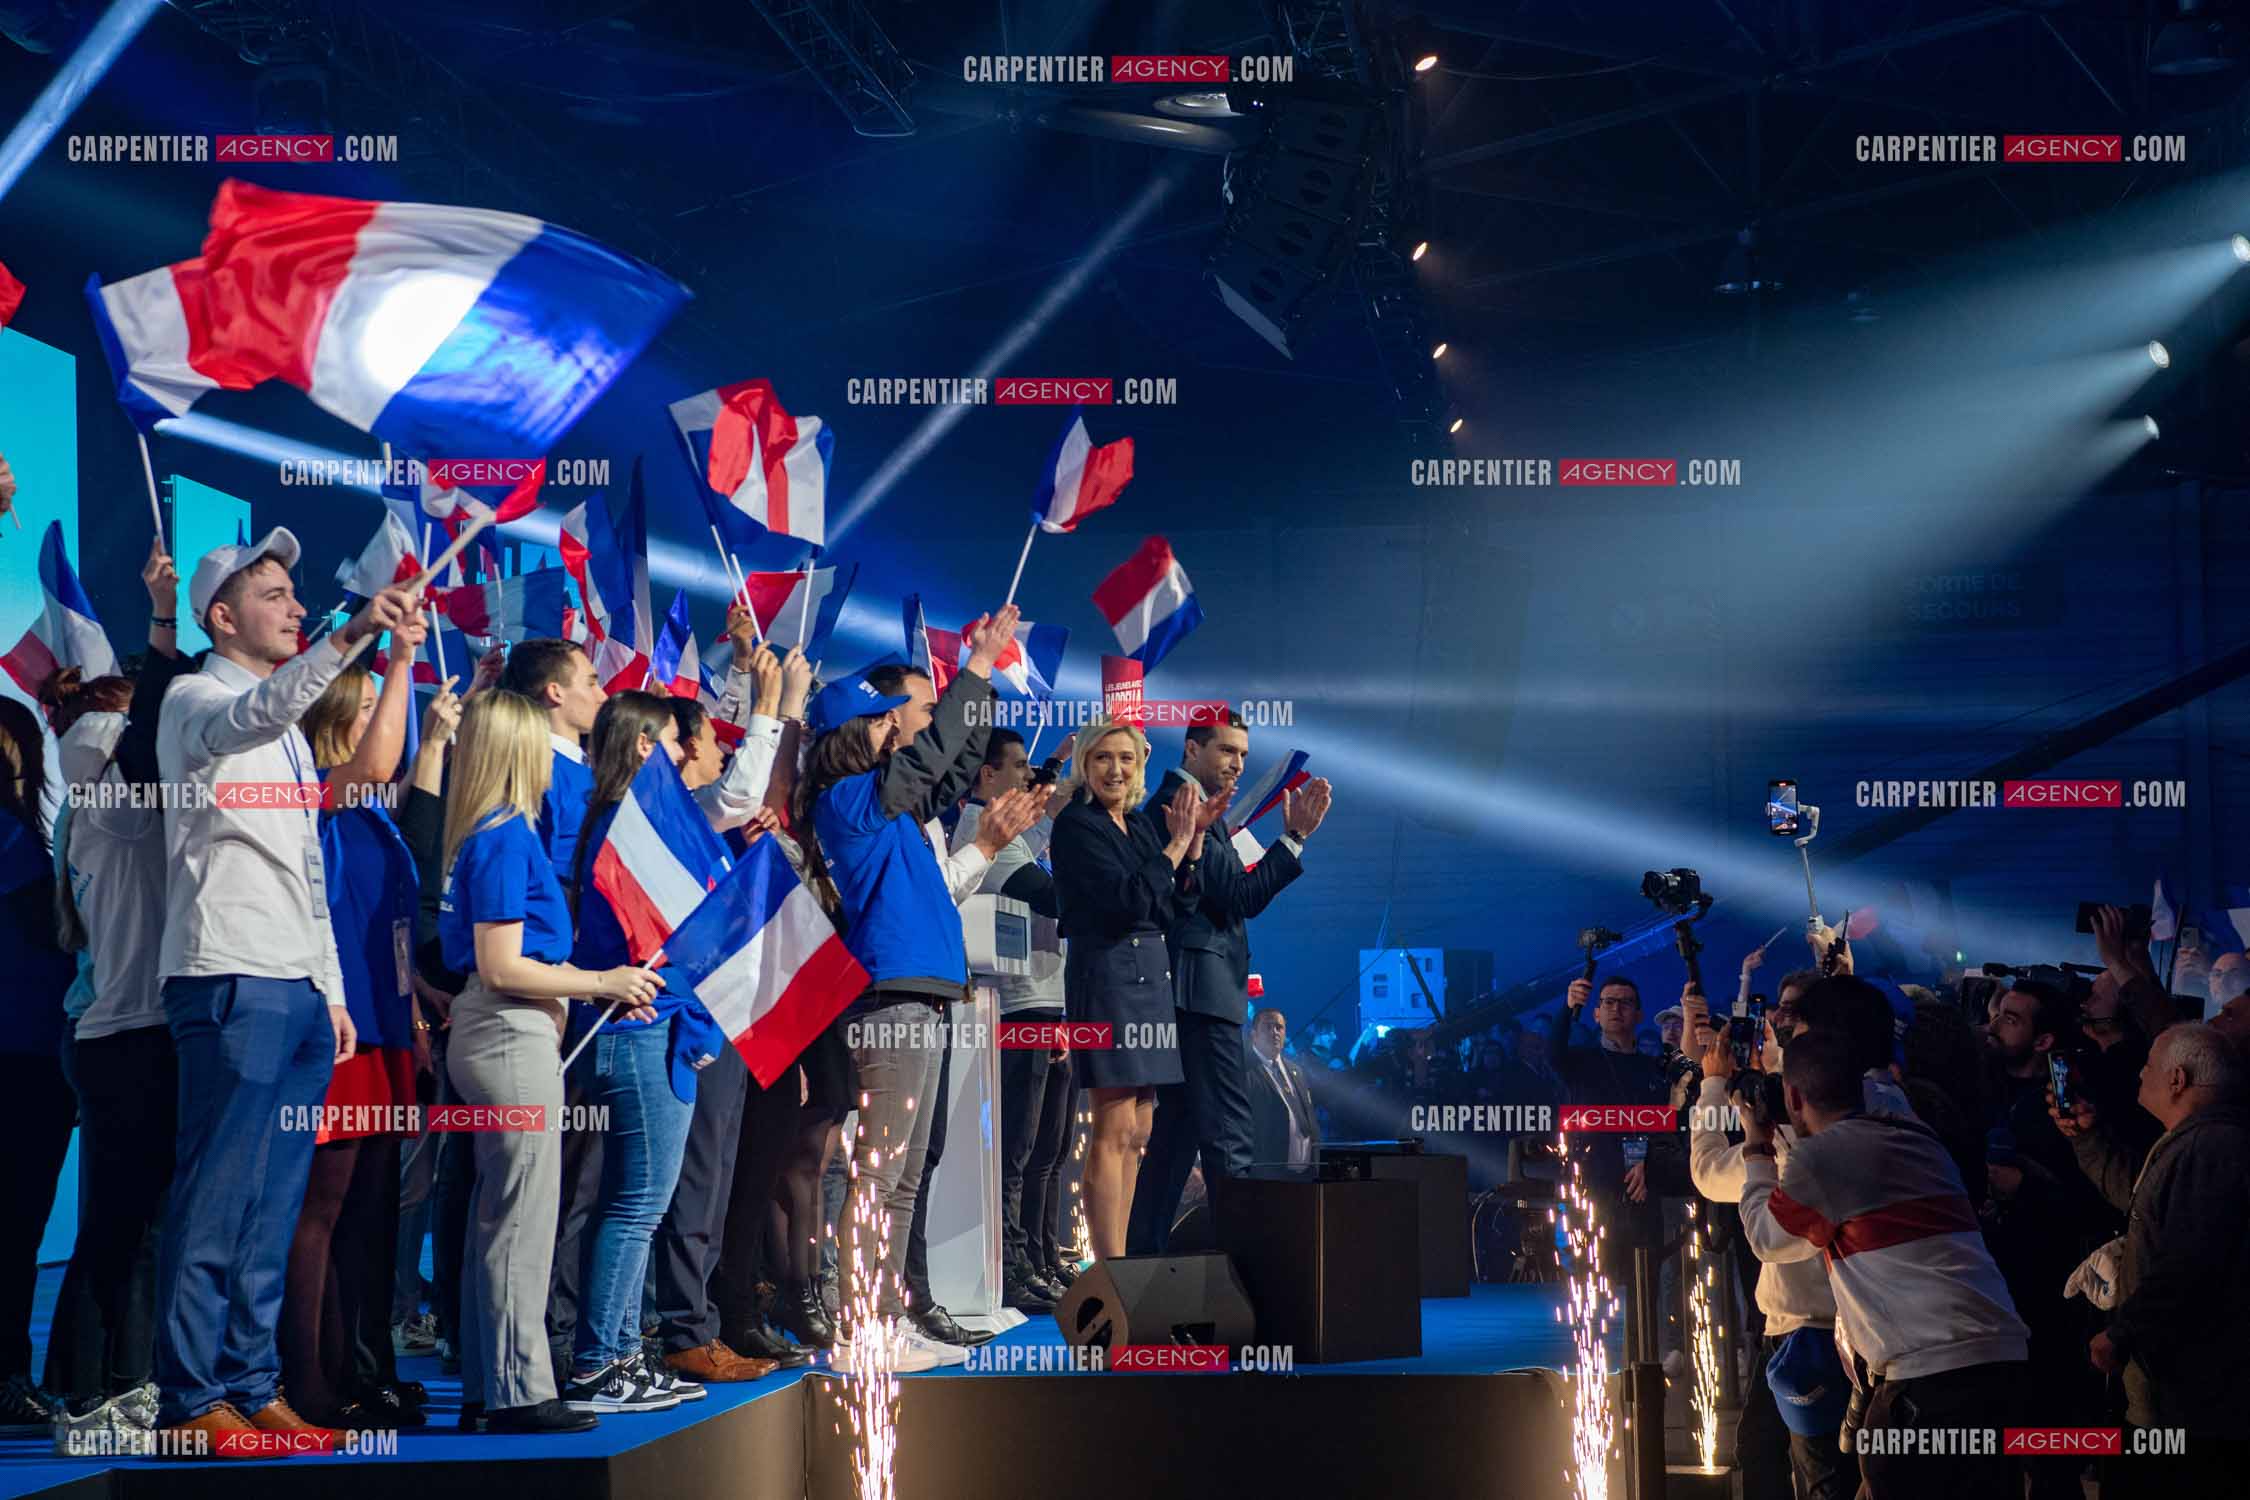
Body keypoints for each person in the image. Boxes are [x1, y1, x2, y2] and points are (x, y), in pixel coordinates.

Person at [150, 531, 415, 1451]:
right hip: (227, 973)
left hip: (296, 987)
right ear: (221, 617)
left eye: (299, 596)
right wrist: (352, 636)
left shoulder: (293, 742)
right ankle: (192, 1400)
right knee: (217, 1196)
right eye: (275, 595)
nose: (298, 607)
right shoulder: (194, 701)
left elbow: (308, 867)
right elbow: (255, 713)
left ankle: (252, 1384)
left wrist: (330, 988)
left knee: (272, 1203)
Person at [795, 607, 1028, 1372]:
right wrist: (977, 667)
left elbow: (951, 770)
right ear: (861, 728)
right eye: (889, 718)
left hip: (922, 993)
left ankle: (884, 1320)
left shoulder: (888, 805)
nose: (902, 728)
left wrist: (980, 692)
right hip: (890, 997)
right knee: (880, 1173)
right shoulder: (846, 799)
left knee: (898, 1177)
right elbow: (927, 763)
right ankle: (862, 1328)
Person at [439, 690, 663, 1434]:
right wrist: (601, 982)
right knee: (521, 1221)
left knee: (502, 1214)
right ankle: (517, 1391)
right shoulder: (504, 834)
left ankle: (489, 1386)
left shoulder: (490, 831)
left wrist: (601, 990)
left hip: (506, 1033)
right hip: (509, 1035)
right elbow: (503, 964)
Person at [1738, 1027, 2029, 1500]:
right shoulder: (1919, 1137)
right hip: (2002, 1362)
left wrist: (1756, 1148)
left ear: (1793, 1096)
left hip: (1929, 1373)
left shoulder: (1825, 1156)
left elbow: (1767, 1237)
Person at [42, 539, 191, 1436]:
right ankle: (93, 1394)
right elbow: (147, 736)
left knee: (132, 1222)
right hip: (122, 1035)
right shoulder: (111, 799)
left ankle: (112, 1382)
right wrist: (164, 620)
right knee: (120, 1226)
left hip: (127, 1030)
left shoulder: (107, 799)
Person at [280, 629, 426, 1430]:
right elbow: (373, 766)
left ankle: (357, 1372)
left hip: (384, 1031)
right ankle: (305, 1383)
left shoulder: (375, 816)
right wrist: (399, 658)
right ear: (335, 717)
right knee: (320, 1213)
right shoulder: (321, 796)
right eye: (369, 708)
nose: (387, 721)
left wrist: (414, 1009)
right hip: (340, 1036)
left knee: (368, 1214)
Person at [1127, 713, 1328, 1254]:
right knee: (1230, 1133)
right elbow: (1241, 897)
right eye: (1226, 750)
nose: (1238, 763)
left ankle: (1144, 1261)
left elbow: (1235, 893)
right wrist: (1294, 838)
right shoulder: (1181, 804)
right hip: (1201, 992)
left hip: (1195, 991)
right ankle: (1246, 1264)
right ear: (1192, 750)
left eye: (1243, 753)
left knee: (1178, 1135)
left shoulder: (1200, 808)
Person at [2053, 1022, 2250, 1499]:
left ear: (2177, 1079)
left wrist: (2122, 1333)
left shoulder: (2212, 1147)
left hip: (2190, 1405)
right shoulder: (2195, 1142)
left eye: (2148, 1065)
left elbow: (2190, 1262)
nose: (2141, 1073)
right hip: (2179, 1399)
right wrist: (2088, 1138)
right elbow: (2142, 1202)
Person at [1048, 715, 1221, 1261]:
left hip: (1151, 976)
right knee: (1115, 1120)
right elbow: (1127, 902)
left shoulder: (1141, 827)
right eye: (1103, 758)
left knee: (1141, 1127)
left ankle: (1125, 1258)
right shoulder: (1076, 826)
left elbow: (1172, 907)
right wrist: (1175, 846)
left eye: (1126, 758)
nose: (1115, 770)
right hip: (1106, 978)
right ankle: (1110, 1268)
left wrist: (1193, 846)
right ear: (1085, 764)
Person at [1686, 1017, 1851, 1500]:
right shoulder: (1876, 1128)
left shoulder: (1784, 1148)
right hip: (1828, 1327)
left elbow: (1706, 1170)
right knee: (1768, 1449)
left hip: (1806, 1331)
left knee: (1812, 1468)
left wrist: (1713, 1086)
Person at [955, 728, 1077, 1313]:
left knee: (1050, 1149)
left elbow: (1047, 827)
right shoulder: (985, 837)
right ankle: (1012, 1264)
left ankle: (1041, 1254)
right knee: (1017, 1151)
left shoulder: (1019, 838)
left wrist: (1055, 766)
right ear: (987, 775)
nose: (1030, 780)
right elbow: (1056, 898)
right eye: (1019, 768)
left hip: (1050, 1002)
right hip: (1019, 1005)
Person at [0, 697, 76, 1436]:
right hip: (22, 1055)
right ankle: (7, 1377)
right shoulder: (13, 840)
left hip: (27, 1052)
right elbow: (54, 932)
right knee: (16, 1224)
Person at [1247, 1007, 1319, 1167]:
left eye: (1279, 1027)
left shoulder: (1296, 1071)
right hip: (1268, 1170)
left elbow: (1309, 1117)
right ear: (1254, 1035)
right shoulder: (1244, 1072)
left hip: (1307, 1170)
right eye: (1267, 1027)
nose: (1274, 1032)